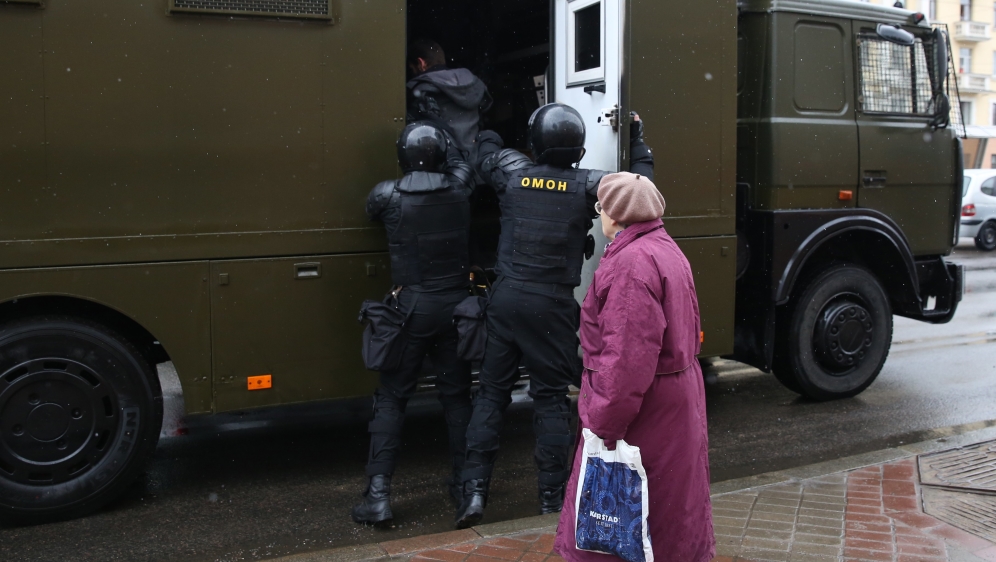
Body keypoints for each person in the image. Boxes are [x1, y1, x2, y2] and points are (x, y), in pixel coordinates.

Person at [454, 103, 654, 528]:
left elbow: (483, 155)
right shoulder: (587, 185)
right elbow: (641, 192)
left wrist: (483, 125)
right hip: (551, 307)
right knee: (549, 399)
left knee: (490, 395)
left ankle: (473, 494)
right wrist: (636, 142)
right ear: (579, 148)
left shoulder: (512, 176)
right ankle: (550, 500)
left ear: (535, 142)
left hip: (506, 300)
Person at [554, 172, 715, 562]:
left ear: (614, 213)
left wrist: (602, 425)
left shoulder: (631, 263)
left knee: (622, 525)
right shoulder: (664, 247)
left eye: (601, 208)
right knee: (671, 514)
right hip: (675, 402)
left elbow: (625, 363)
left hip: (646, 411)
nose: (600, 216)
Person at [353, 122, 476, 526]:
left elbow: (372, 210)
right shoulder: (460, 189)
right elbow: (461, 163)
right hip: (456, 305)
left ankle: (379, 496)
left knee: (392, 399)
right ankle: (463, 485)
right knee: (457, 399)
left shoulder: (387, 194)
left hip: (411, 308)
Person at [407, 39, 493, 164]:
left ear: (421, 63)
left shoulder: (421, 91)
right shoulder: (474, 85)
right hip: (477, 171)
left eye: (412, 69)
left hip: (443, 175)